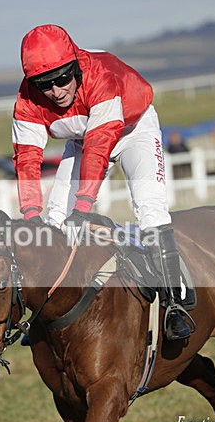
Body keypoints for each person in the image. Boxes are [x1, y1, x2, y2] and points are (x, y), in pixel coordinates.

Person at [10, 24, 194, 341]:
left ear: (76, 69)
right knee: (54, 222)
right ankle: (46, 311)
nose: (56, 91)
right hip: (83, 140)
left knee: (149, 208)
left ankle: (175, 303)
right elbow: (26, 159)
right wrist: (30, 214)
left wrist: (83, 207)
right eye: (44, 85)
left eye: (62, 79)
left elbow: (99, 147)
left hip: (134, 131)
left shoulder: (99, 76)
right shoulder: (27, 100)